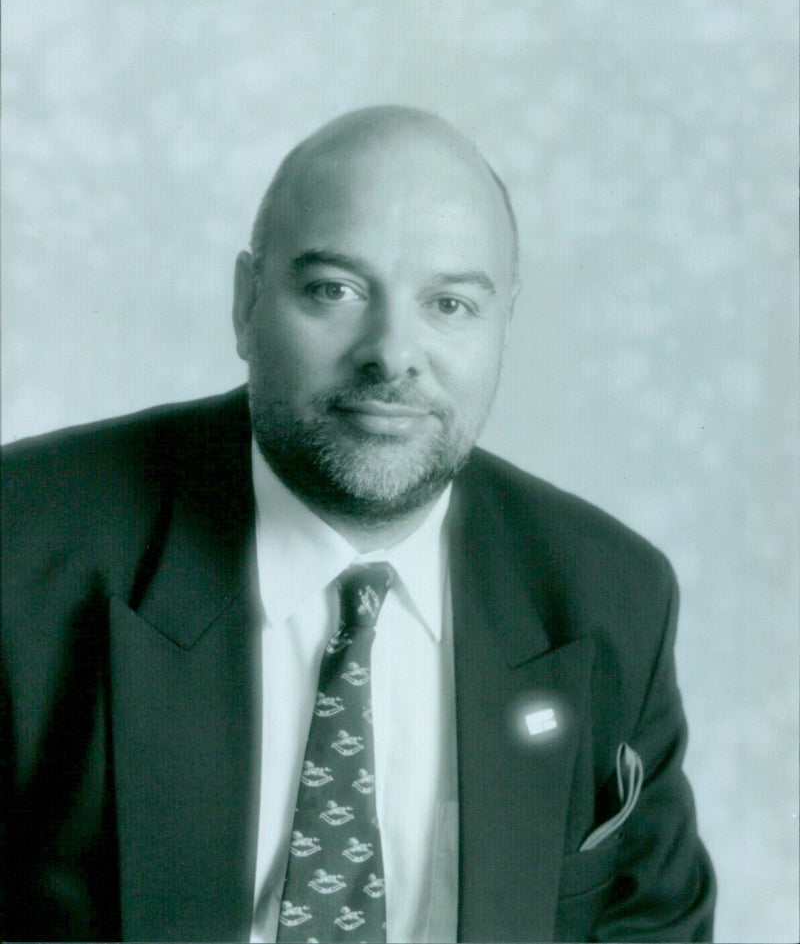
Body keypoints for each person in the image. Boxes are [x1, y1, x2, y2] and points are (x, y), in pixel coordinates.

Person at [1, 106, 715, 942]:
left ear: (502, 323)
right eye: (334, 290)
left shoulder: (608, 596)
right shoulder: (23, 546)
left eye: (449, 303)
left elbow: (654, 925)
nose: (391, 352)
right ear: (245, 304)